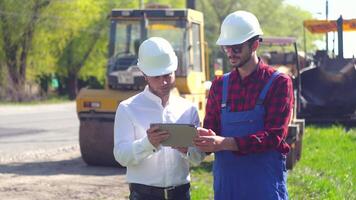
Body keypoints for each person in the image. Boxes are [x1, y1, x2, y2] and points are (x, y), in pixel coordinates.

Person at [194, 11, 294, 200]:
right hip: (227, 188)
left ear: (255, 44)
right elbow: (211, 130)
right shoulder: (219, 85)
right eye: (226, 48)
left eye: (237, 48)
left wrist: (226, 143)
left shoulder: (279, 83)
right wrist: (195, 144)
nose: (230, 53)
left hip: (264, 187)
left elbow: (274, 136)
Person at [113, 37, 205, 200]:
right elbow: (121, 156)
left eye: (167, 75)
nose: (163, 82)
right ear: (144, 75)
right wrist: (147, 143)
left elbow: (198, 158)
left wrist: (188, 150)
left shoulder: (188, 109)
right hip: (144, 194)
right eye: (156, 77)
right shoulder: (127, 108)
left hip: (181, 193)